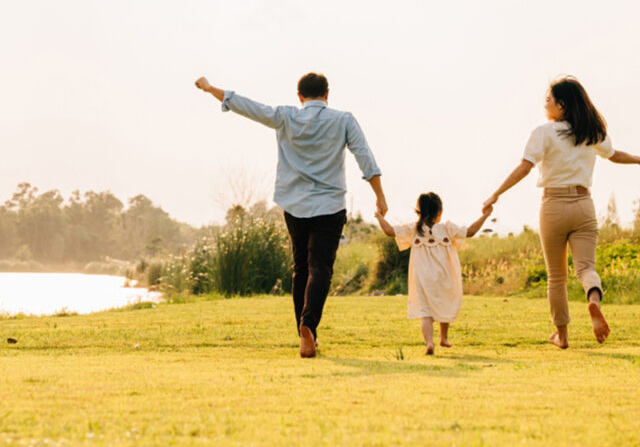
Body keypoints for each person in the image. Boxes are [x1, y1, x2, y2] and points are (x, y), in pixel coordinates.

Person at [195, 73, 387, 358]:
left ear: (299, 96)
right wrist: (380, 196)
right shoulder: (344, 120)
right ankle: (308, 326)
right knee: (320, 267)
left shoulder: (286, 117)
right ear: (327, 93)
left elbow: (250, 107)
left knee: (301, 269)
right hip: (329, 205)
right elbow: (365, 157)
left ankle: (304, 331)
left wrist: (211, 89)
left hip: (294, 205)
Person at [483, 77, 640, 349]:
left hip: (553, 205)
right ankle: (593, 301)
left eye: (548, 100)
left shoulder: (543, 132)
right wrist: (639, 160)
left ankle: (562, 336)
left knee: (557, 277)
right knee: (586, 268)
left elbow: (524, 167)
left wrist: (496, 193)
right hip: (583, 205)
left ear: (562, 105)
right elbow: (614, 155)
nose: (545, 105)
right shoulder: (590, 131)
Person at [375, 192, 492, 355]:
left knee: (426, 313)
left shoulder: (414, 229)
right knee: (445, 303)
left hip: (422, 277)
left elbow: (388, 230)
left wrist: (379, 216)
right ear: (440, 212)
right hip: (445, 275)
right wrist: (485, 216)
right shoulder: (447, 228)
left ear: (419, 212)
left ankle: (429, 343)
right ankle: (443, 338)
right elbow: (471, 231)